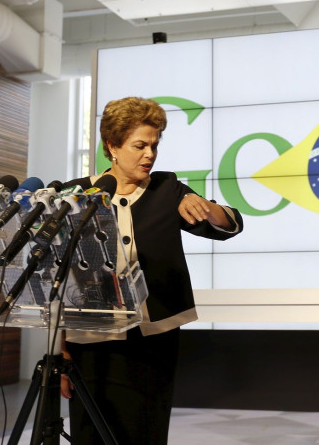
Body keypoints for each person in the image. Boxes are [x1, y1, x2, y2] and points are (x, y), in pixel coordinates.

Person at [60, 96, 242, 444]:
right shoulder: (79, 194)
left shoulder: (167, 189)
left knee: (145, 431)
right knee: (91, 434)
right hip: (91, 341)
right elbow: (62, 278)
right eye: (140, 145)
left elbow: (231, 224)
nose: (150, 154)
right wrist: (62, 351)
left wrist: (206, 206)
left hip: (153, 338)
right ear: (112, 145)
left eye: (154, 145)